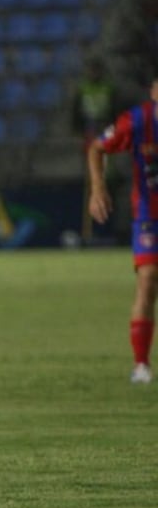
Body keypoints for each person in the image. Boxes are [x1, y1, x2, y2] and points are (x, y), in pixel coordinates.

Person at [87, 76, 158, 385]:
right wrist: (98, 188)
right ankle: (141, 364)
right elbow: (97, 147)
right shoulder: (138, 120)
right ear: (154, 92)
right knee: (148, 280)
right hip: (149, 215)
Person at [71, 58, 116, 141]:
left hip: (106, 121)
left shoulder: (109, 87)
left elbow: (115, 107)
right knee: (91, 143)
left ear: (101, 72)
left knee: (108, 142)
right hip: (89, 122)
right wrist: (76, 126)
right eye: (92, 71)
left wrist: (114, 123)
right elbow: (76, 108)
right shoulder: (83, 88)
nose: (94, 73)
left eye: (96, 71)